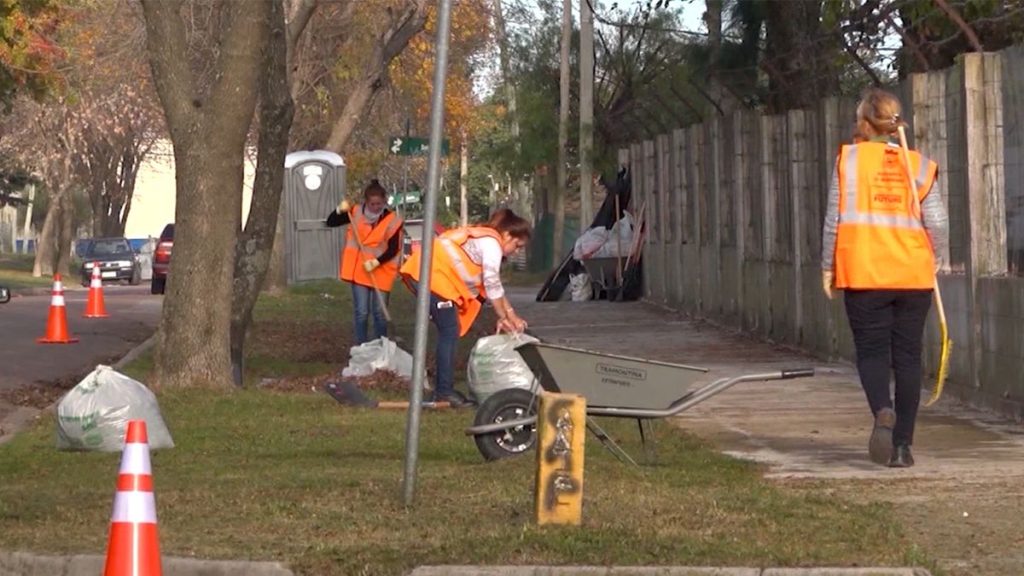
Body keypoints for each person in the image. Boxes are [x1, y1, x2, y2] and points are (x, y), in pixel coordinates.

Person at [820, 88, 949, 468]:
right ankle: (903, 448)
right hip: (913, 275)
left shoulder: (849, 161)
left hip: (865, 273)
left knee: (873, 353)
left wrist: (827, 267)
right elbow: (938, 222)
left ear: (864, 122)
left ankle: (882, 410)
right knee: (908, 358)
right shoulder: (918, 165)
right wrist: (937, 258)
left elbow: (834, 221)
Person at [400, 208, 531, 407]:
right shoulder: (492, 244)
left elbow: (495, 288)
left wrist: (510, 314)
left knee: (449, 331)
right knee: (449, 331)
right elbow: (492, 283)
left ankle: (443, 389)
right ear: (506, 235)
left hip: (430, 274)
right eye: (517, 245)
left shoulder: (486, 240)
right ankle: (444, 392)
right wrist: (503, 317)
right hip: (431, 275)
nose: (517, 251)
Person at [325, 179, 404, 345]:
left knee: (379, 313)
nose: (376, 207)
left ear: (384, 201)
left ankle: (381, 346)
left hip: (381, 272)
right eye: (372, 204)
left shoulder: (392, 220)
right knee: (361, 312)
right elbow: (330, 222)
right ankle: (361, 346)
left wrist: (376, 262)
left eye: (379, 204)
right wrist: (339, 210)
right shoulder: (355, 212)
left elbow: (393, 248)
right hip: (359, 271)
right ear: (366, 201)